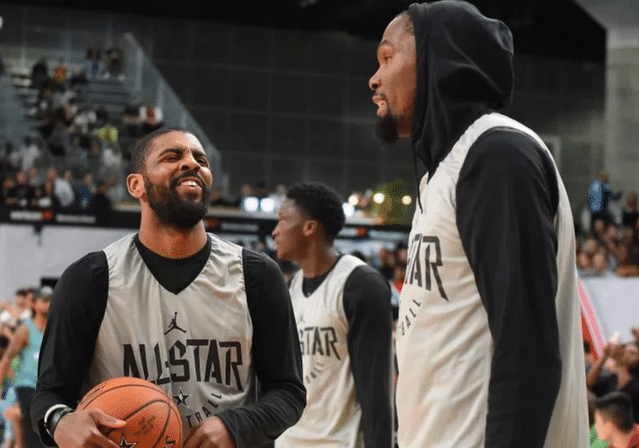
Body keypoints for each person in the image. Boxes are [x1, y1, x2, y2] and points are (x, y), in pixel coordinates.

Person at [368, 2, 589, 447]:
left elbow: (527, 351)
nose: (374, 79)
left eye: (388, 57)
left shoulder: (497, 157)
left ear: (436, 62)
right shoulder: (441, 175)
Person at [30, 127, 305, 448]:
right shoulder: (90, 279)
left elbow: (288, 391)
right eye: (172, 157)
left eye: (201, 160)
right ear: (136, 185)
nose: (192, 163)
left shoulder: (257, 275)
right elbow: (49, 394)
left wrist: (235, 426)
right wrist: (60, 420)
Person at [271, 181, 393, 448]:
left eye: (283, 220)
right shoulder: (290, 287)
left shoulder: (361, 284)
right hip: (290, 440)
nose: (275, 231)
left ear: (310, 228)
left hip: (339, 442)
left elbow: (376, 387)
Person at [0, 287, 51, 448]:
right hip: (26, 385)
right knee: (33, 429)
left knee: (45, 431)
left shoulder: (53, 329)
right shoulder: (25, 329)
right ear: (34, 304)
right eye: (45, 300)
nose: (49, 303)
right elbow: (8, 357)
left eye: (51, 300)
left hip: (45, 387)